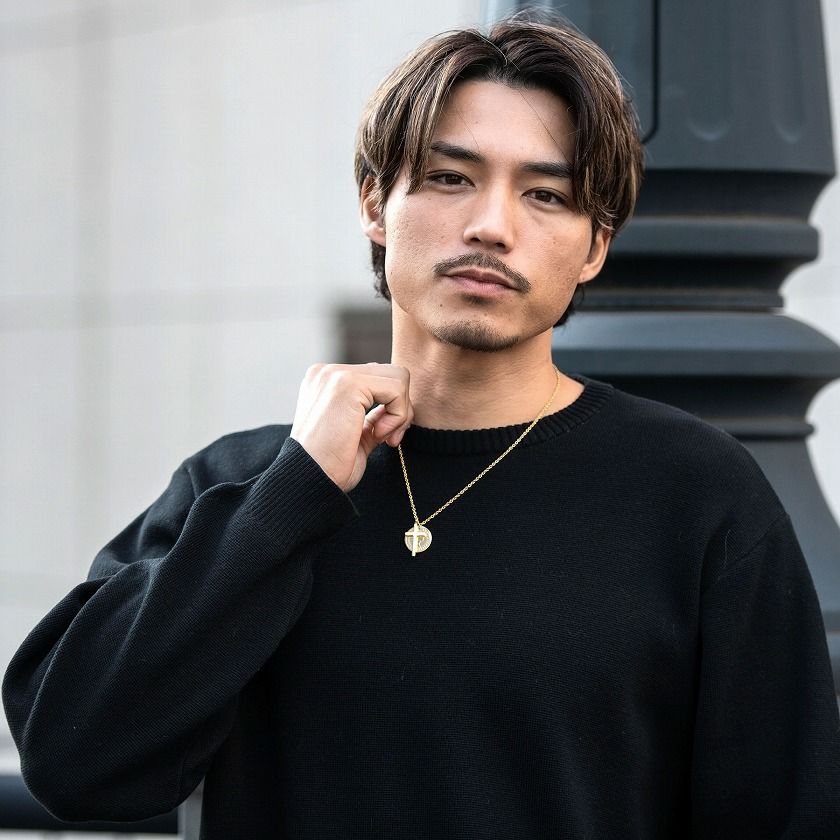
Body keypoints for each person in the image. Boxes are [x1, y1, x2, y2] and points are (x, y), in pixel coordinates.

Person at [4, 14, 840, 839]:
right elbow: (76, 760)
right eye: (449, 177)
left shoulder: (693, 492)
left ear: (593, 248)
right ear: (376, 203)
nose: (492, 225)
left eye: (546, 195)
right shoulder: (246, 486)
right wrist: (292, 496)